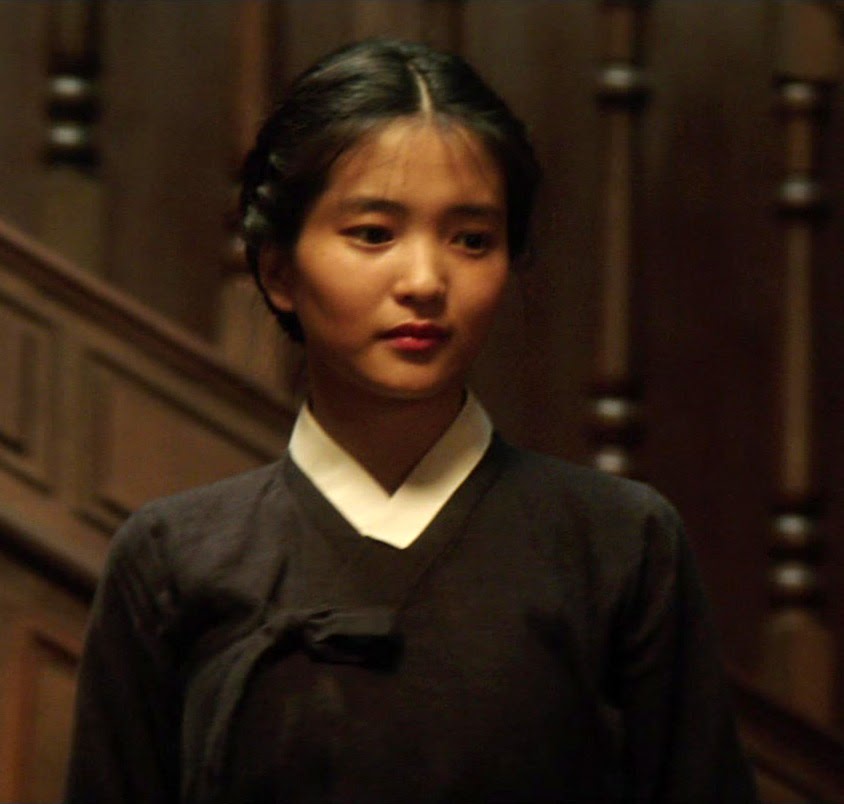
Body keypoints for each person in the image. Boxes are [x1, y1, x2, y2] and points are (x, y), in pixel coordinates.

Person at [65, 38, 757, 803]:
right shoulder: (173, 558)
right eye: (374, 233)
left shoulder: (620, 544)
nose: (425, 281)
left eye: (471, 240)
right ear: (279, 271)